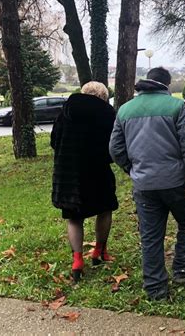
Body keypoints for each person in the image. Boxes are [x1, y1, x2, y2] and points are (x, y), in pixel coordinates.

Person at [109, 67, 185, 301]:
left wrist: (131, 169)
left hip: (143, 184)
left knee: (151, 235)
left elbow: (115, 148)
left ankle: (155, 289)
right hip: (175, 181)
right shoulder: (175, 106)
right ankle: (183, 269)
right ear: (167, 85)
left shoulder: (124, 110)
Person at [51, 82, 118, 282]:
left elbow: (54, 141)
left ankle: (77, 260)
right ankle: (99, 251)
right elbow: (113, 145)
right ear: (103, 96)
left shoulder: (65, 112)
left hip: (69, 173)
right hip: (97, 171)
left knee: (74, 217)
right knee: (105, 209)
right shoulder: (107, 114)